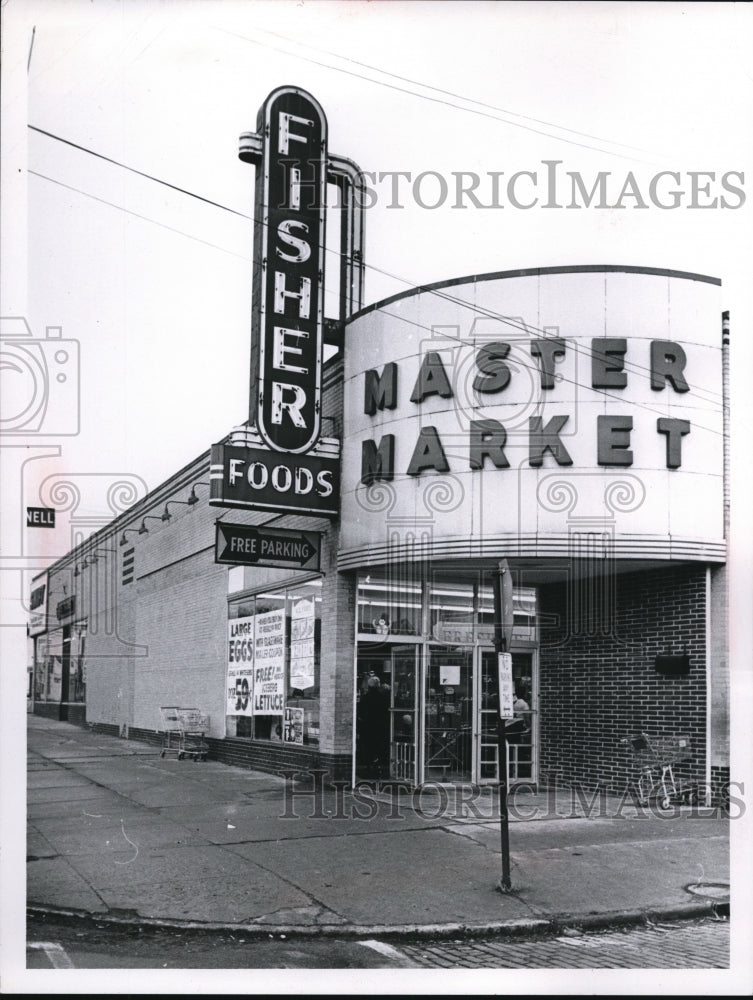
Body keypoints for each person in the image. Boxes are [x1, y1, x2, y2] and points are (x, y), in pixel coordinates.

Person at [357, 675, 390, 777]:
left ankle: (368, 766)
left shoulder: (365, 698)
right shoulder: (383, 698)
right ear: (378, 685)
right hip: (380, 727)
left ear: (369, 686)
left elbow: (360, 713)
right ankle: (378, 765)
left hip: (367, 727)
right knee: (379, 747)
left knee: (367, 747)